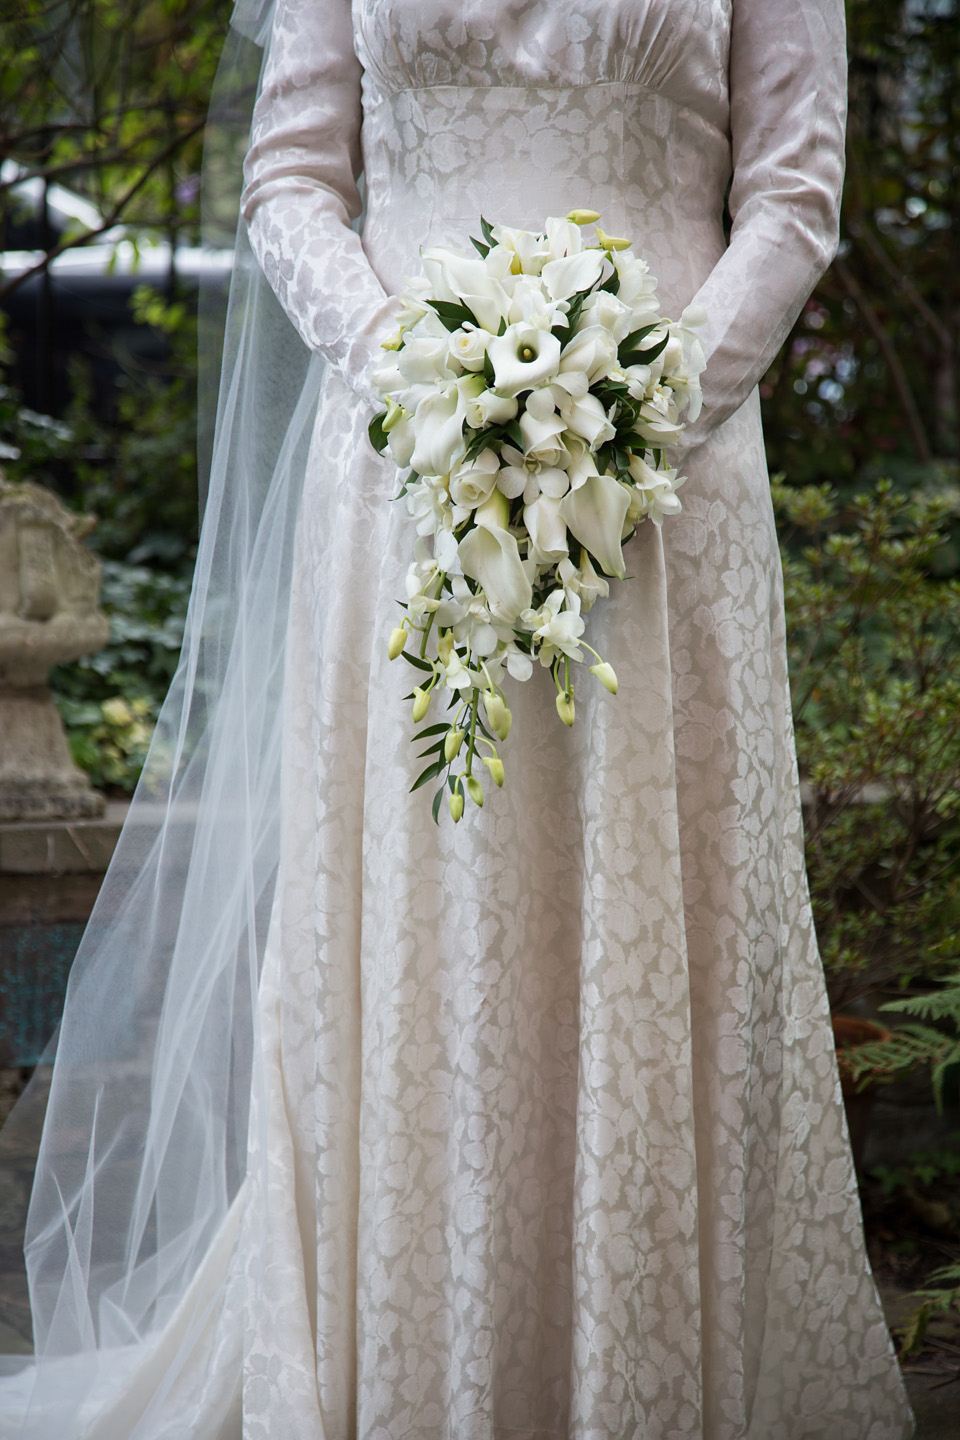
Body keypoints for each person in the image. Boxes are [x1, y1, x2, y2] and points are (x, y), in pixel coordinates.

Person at [0, 0, 916, 1436]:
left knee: (641, 919)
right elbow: (293, 175)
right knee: (432, 918)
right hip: (405, 479)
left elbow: (794, 195)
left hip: (662, 505)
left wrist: (630, 407)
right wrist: (417, 378)